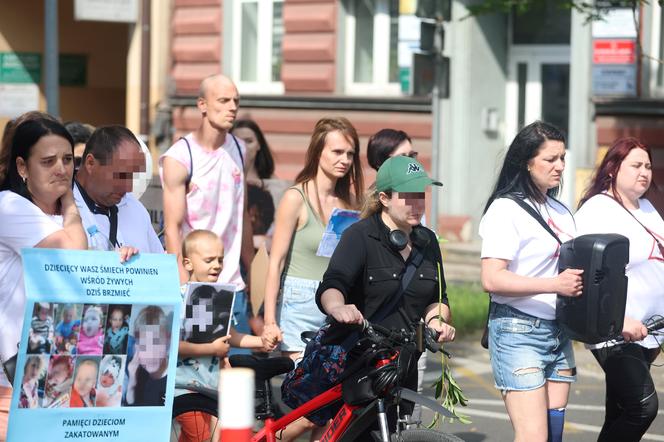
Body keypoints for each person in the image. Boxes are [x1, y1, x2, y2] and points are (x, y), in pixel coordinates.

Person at [311, 155, 454, 438]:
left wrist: (438, 319)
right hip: (362, 364)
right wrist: (338, 306)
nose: (417, 203)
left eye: (421, 195)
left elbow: (439, 297)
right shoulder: (360, 236)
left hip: (406, 363)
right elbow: (332, 284)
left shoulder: (428, 241)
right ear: (385, 198)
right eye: (408, 196)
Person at [479, 121, 583, 442]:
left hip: (559, 330)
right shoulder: (505, 209)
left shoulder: (560, 209)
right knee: (533, 437)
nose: (560, 167)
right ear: (526, 162)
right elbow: (492, 279)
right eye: (550, 159)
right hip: (517, 332)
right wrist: (555, 285)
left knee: (553, 435)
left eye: (562, 158)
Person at [575, 137, 664, 442]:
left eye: (648, 166)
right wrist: (619, 321)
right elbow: (582, 273)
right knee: (643, 407)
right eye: (636, 165)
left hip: (650, 329)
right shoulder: (597, 210)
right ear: (613, 168)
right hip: (616, 331)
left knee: (619, 411)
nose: (645, 172)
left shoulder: (649, 207)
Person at [160, 74, 254, 344]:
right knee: (201, 376)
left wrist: (254, 276)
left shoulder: (240, 149)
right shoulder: (180, 156)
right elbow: (173, 228)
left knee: (239, 373)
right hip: (196, 284)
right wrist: (183, 285)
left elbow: (243, 216)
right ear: (202, 105)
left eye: (236, 100)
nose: (232, 107)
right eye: (223, 100)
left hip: (233, 282)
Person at [262, 117, 365, 362]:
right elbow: (275, 262)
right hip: (301, 299)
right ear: (318, 152)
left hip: (339, 299)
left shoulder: (351, 203)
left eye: (350, 154)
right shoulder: (296, 197)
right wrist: (269, 321)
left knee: (333, 389)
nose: (345, 160)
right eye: (337, 152)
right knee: (302, 388)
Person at [0, 112, 88, 381]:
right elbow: (76, 258)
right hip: (12, 377)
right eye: (48, 162)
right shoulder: (8, 206)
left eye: (68, 159)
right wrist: (71, 200)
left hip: (62, 368)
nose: (61, 169)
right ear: (22, 167)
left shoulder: (71, 214)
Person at [175, 229, 276, 441]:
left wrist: (261, 341)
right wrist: (211, 349)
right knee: (200, 436)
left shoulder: (218, 298)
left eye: (220, 260)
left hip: (209, 388)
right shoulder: (180, 298)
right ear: (187, 263)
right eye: (209, 260)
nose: (217, 265)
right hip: (183, 388)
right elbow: (173, 345)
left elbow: (232, 336)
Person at [74, 125, 161, 256]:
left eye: (132, 176)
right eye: (121, 175)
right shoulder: (57, 208)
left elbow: (159, 266)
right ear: (90, 163)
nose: (128, 187)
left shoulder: (136, 209)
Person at [124, 305, 172, 407]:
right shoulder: (136, 372)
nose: (150, 355)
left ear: (167, 340)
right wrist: (132, 384)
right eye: (144, 345)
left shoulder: (171, 378)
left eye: (156, 343)